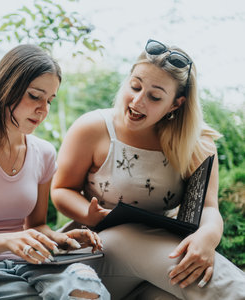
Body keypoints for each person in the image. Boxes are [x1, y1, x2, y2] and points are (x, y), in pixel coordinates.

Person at [50, 38, 245, 299]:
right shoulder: (93, 128)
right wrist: (89, 213)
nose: (138, 101)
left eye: (154, 96)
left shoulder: (198, 143)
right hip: (92, 252)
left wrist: (208, 237)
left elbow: (209, 207)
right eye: (135, 86)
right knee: (132, 236)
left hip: (152, 260)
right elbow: (61, 189)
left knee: (167, 294)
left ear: (176, 104)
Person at [0, 44, 110, 300]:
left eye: (49, 100)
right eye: (35, 96)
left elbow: (36, 226)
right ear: (7, 89)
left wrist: (59, 239)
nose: (43, 109)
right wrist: (7, 241)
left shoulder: (44, 153)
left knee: (86, 286)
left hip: (35, 265)